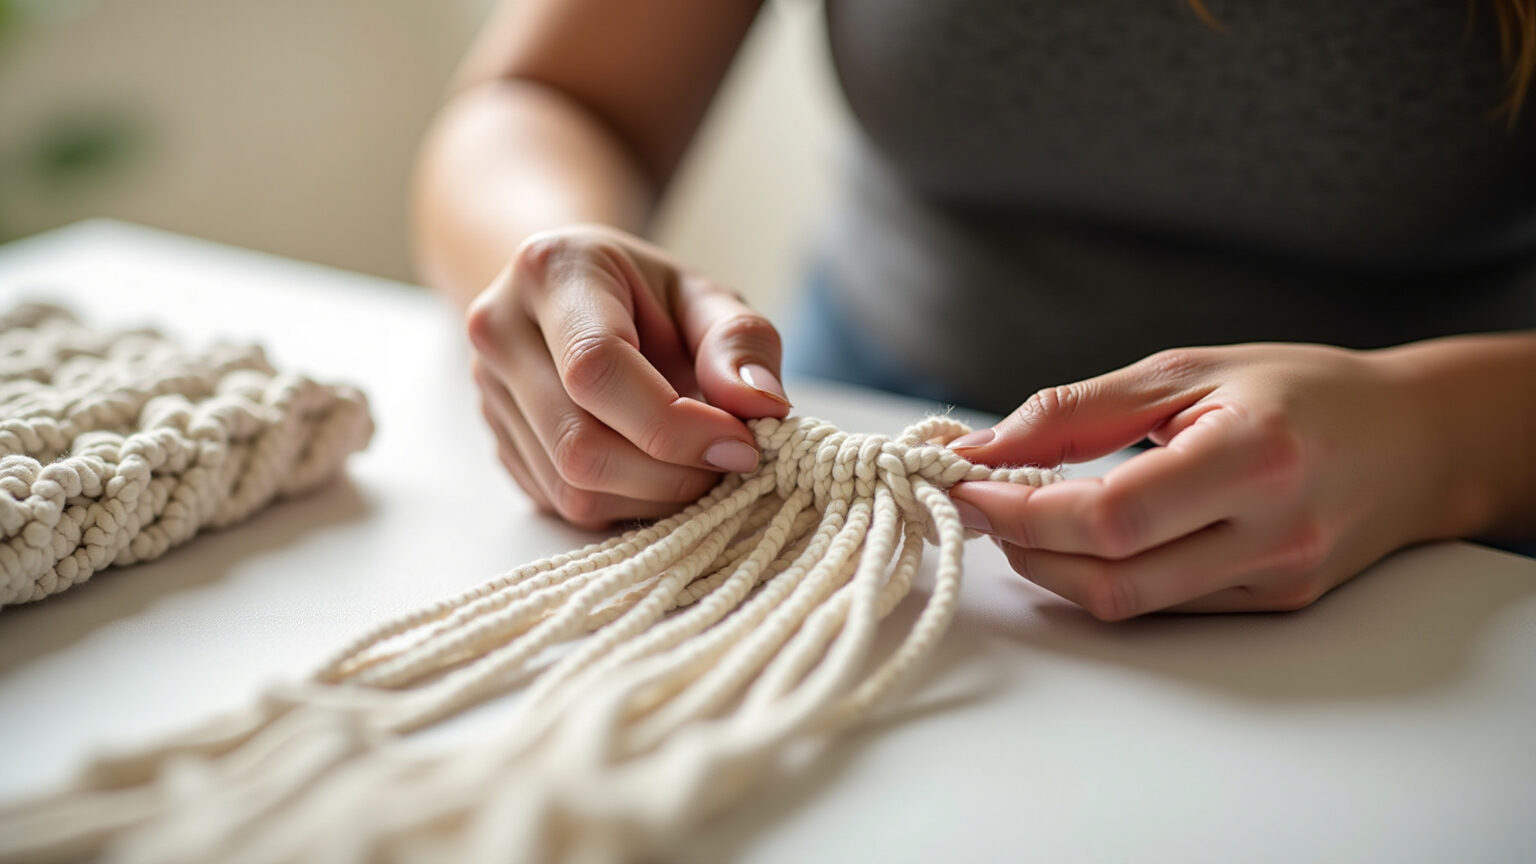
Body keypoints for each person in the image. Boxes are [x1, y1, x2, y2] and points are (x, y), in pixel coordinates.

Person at [412, 0, 1536, 621]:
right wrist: (566, 283)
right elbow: (551, 98)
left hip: (1431, 561)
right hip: (823, 456)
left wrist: (1439, 438)